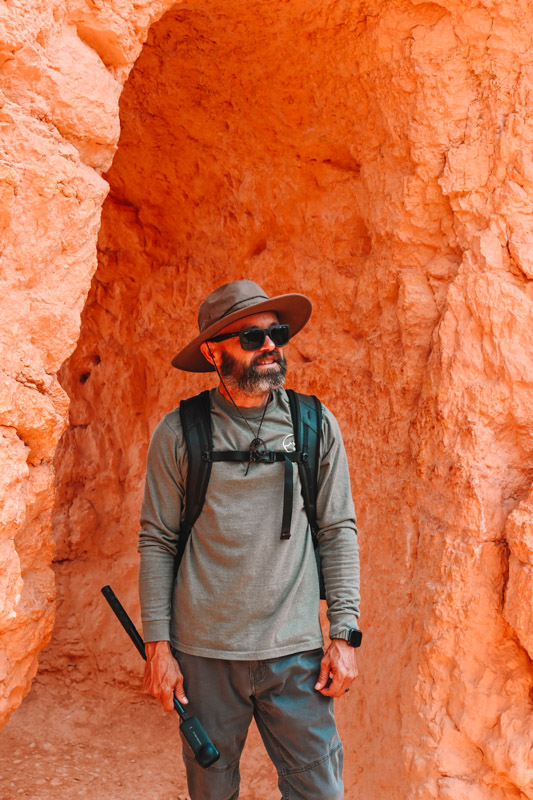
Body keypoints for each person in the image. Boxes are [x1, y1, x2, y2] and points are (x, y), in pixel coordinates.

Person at [138, 279, 361, 800]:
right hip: (206, 656)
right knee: (212, 792)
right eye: (252, 338)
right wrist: (158, 646)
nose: (270, 348)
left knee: (320, 792)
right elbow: (158, 541)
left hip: (297, 654)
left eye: (275, 334)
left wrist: (345, 633)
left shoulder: (313, 424)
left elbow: (337, 529)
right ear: (214, 351)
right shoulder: (180, 433)